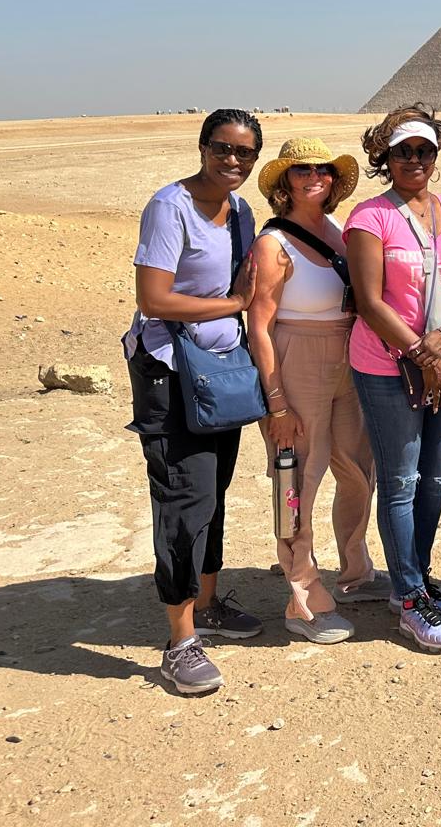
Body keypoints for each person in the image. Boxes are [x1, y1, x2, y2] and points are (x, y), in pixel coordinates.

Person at [123, 109, 265, 696]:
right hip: (168, 371)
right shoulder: (169, 206)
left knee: (214, 488)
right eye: (223, 148)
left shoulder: (242, 210)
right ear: (202, 146)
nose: (233, 160)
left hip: (220, 371)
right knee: (183, 496)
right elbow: (153, 298)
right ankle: (180, 641)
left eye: (245, 153)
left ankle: (207, 603)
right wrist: (232, 306)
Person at [345, 105, 441, 654]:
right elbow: (369, 301)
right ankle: (408, 599)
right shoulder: (369, 217)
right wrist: (422, 355)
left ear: (437, 154)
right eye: (403, 150)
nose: (414, 160)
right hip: (386, 366)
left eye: (424, 150)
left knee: (436, 477)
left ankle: (418, 575)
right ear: (385, 155)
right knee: (400, 481)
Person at [246, 137, 382, 647]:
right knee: (296, 480)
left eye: (322, 169)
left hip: (349, 356)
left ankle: (355, 570)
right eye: (301, 170)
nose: (313, 177)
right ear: (285, 182)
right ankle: (304, 598)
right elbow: (259, 325)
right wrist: (276, 403)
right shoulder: (272, 244)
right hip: (296, 357)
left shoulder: (339, 233)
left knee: (356, 468)